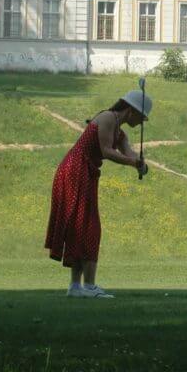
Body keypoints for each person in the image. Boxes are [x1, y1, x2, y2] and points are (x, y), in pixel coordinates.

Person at [45, 89, 151, 298]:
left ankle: (76, 287)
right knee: (89, 227)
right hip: (75, 170)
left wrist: (141, 164)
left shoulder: (120, 132)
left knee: (82, 226)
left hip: (86, 172)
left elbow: (127, 152)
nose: (142, 122)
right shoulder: (107, 118)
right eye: (142, 117)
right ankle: (89, 286)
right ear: (131, 111)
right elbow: (106, 152)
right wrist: (133, 162)